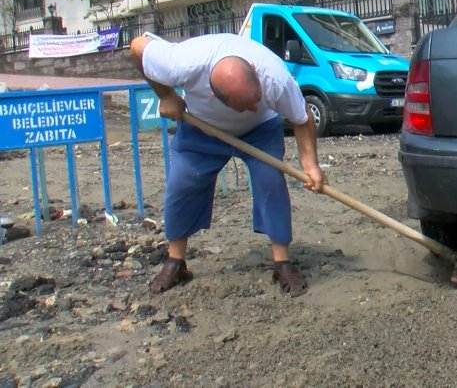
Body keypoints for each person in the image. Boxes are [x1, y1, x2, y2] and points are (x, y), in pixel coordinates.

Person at [129, 33, 325, 297]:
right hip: (202, 127)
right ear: (212, 93)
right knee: (182, 182)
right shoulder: (181, 63)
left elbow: (302, 118)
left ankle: (282, 262)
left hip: (260, 131)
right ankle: (176, 261)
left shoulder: (275, 77)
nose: (253, 107)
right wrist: (166, 95)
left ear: (253, 69)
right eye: (245, 105)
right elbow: (138, 47)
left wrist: (310, 165)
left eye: (256, 99)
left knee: (270, 181)